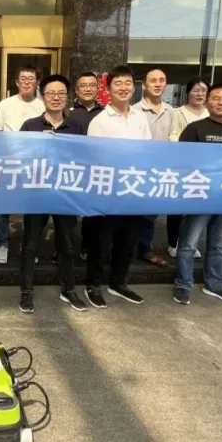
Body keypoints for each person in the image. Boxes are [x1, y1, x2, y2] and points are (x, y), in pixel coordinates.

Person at [172, 83, 222, 305]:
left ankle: (214, 284)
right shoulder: (195, 129)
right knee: (188, 244)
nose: (221, 102)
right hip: (200, 196)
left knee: (220, 245)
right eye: (216, 98)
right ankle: (183, 284)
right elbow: (182, 161)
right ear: (207, 102)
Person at [85, 66, 151, 308]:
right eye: (118, 83)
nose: (123, 88)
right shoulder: (99, 121)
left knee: (128, 242)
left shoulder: (140, 118)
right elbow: (95, 159)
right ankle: (93, 285)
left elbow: (147, 151)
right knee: (101, 244)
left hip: (133, 191)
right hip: (107, 193)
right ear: (108, 89)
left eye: (128, 83)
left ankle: (118, 283)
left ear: (134, 87)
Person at [17, 75, 83, 313]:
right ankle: (26, 291)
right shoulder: (30, 126)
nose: (56, 98)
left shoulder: (76, 127)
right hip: (37, 195)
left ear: (68, 97)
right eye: (50, 93)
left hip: (65, 194)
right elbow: (19, 157)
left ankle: (69, 289)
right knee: (30, 245)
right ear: (42, 96)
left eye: (61, 93)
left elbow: (84, 158)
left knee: (67, 244)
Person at [0, 64, 45, 264]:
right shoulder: (5, 104)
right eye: (23, 79)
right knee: (2, 208)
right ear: (16, 82)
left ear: (37, 83)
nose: (27, 82)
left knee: (32, 209)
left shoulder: (43, 105)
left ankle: (28, 246)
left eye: (31, 79)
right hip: (7, 163)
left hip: (33, 165)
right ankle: (3, 244)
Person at [133, 68, 174, 268]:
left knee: (150, 215)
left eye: (161, 80)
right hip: (137, 170)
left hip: (161, 172)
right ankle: (127, 248)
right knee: (131, 213)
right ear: (144, 85)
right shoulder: (134, 111)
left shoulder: (172, 112)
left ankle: (144, 249)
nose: (158, 84)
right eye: (153, 80)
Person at [167, 78, 211, 259]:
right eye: (196, 90)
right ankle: (173, 243)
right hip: (182, 166)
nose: (200, 94)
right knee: (177, 207)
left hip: (205, 168)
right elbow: (172, 136)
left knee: (197, 208)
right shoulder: (177, 113)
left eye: (203, 90)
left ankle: (191, 243)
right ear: (188, 93)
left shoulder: (210, 114)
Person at [67, 71, 105, 263]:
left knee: (93, 215)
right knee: (68, 215)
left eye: (92, 85)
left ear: (98, 88)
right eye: (83, 85)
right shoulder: (67, 112)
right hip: (73, 170)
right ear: (77, 90)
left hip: (97, 171)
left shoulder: (106, 113)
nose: (88, 89)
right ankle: (64, 250)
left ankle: (87, 248)